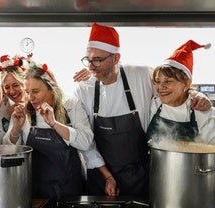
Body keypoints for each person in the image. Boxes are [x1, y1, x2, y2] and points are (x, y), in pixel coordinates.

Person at [74, 22, 212, 198]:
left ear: (116, 58)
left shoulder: (141, 75)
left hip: (139, 179)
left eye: (98, 60)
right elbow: (87, 141)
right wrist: (107, 176)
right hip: (100, 178)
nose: (91, 66)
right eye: (89, 60)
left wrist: (199, 97)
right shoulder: (84, 88)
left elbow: (173, 86)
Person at [2, 60, 93, 200]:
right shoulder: (24, 111)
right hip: (37, 193)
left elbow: (86, 142)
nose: (30, 98)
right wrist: (16, 128)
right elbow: (7, 151)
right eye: (27, 92)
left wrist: (54, 123)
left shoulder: (70, 105)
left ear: (51, 89)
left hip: (71, 189)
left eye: (35, 92)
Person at [147, 40, 215, 144]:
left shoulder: (202, 112)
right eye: (157, 81)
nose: (160, 87)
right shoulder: (153, 104)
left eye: (168, 81)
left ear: (187, 84)